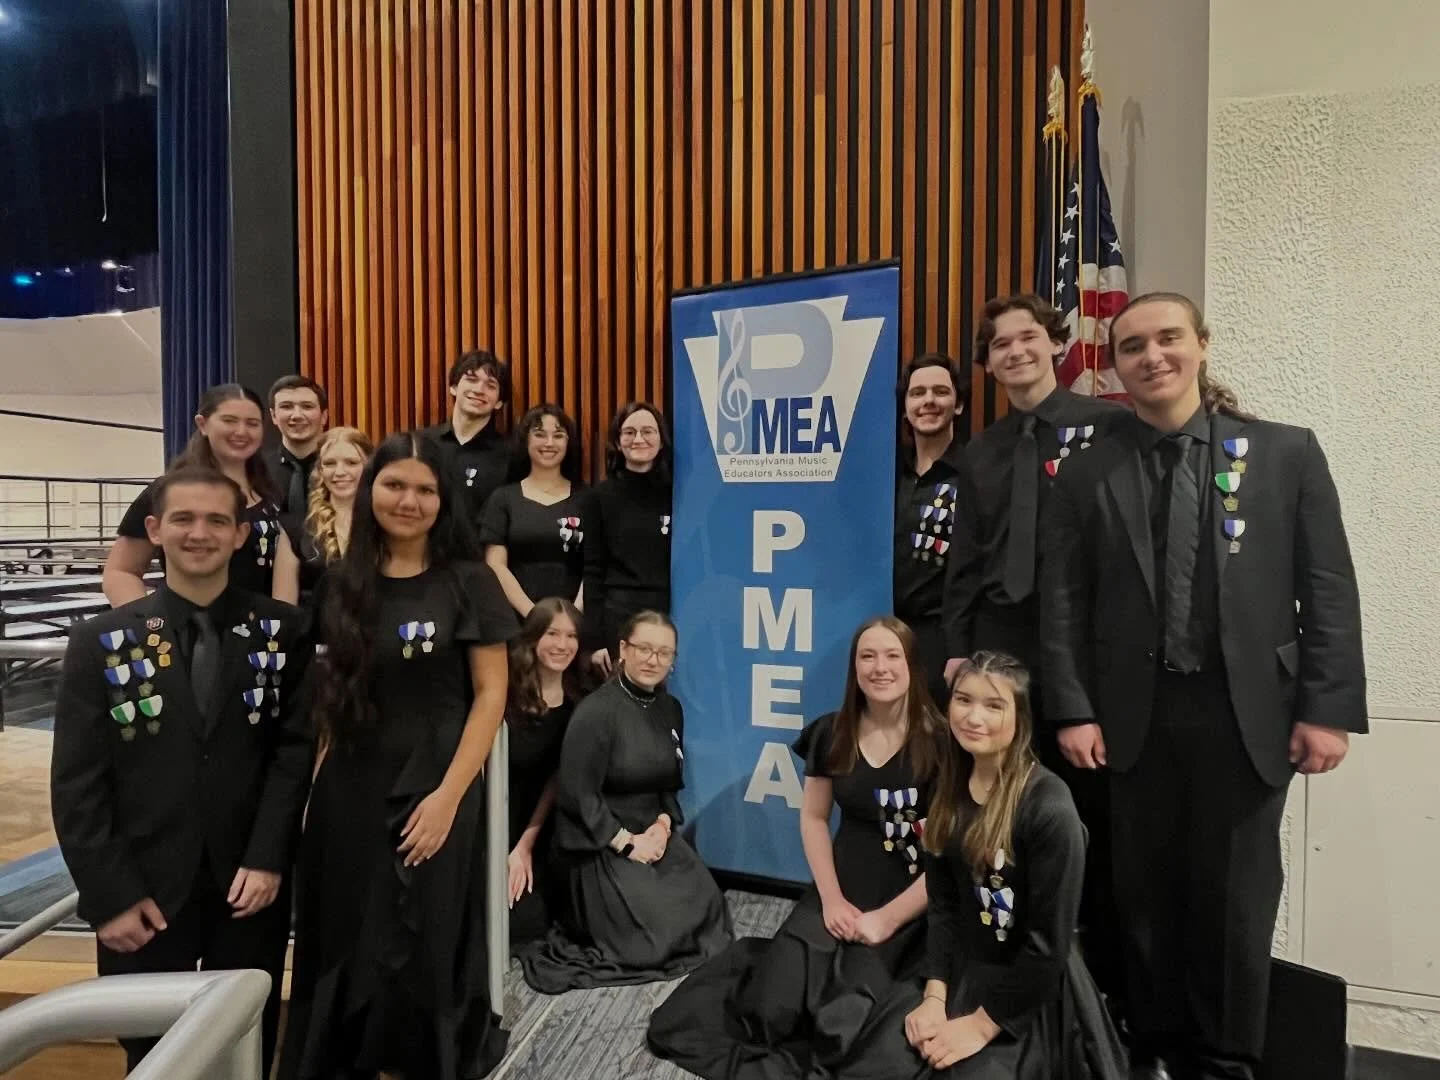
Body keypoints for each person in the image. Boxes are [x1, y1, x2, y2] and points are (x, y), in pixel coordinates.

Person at [1039, 292, 1367, 1080]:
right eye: (1133, 346)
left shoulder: (1285, 453)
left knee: (1234, 897)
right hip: (1132, 714)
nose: (1152, 356)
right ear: (1115, 365)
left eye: (1168, 339)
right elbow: (1064, 601)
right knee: (1142, 892)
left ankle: (1224, 1059)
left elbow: (1327, 587)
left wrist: (1326, 710)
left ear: (1202, 345)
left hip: (1246, 713)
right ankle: (1153, 1045)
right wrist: (1073, 709)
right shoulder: (1087, 472)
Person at [51, 465, 313, 1074]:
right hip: (142, 888)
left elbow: (292, 754)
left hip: (248, 883)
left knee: (245, 1041)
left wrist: (268, 858)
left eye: (218, 520)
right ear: (154, 530)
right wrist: (110, 895)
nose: (200, 533)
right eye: (184, 519)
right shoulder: (102, 641)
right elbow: (78, 782)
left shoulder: (282, 632)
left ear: (240, 534)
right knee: (151, 1052)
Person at [279, 432, 516, 1080]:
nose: (408, 501)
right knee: (347, 928)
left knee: (424, 932)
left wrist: (449, 798)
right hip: (350, 786)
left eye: (424, 489)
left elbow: (491, 697)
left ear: (444, 500)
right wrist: (314, 794)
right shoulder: (342, 583)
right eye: (394, 485)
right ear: (370, 490)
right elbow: (333, 702)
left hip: (436, 781)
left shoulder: (470, 581)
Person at [647, 616, 940, 1079]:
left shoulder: (942, 743)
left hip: (907, 902)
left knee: (842, 1029)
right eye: (867, 656)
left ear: (912, 666)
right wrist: (831, 900)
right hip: (840, 887)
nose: (880, 667)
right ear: (854, 667)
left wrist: (886, 920)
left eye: (892, 656)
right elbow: (814, 818)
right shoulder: (831, 732)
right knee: (771, 1008)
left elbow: (950, 860)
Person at [941, 294, 1129, 1000]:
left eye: (1028, 337)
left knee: (1086, 809)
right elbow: (965, 561)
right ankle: (1007, 958)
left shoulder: (1107, 425)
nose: (1015, 351)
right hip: (1001, 643)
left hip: (1081, 647)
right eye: (1000, 344)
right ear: (988, 364)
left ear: (1056, 344)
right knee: (1003, 803)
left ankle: (1088, 974)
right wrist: (958, 650)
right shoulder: (981, 450)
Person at [887, 652, 1127, 1079]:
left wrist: (981, 1027)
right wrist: (934, 997)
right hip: (961, 970)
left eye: (994, 705)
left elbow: (1047, 946)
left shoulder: (1050, 807)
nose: (973, 717)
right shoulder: (948, 786)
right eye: (963, 700)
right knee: (881, 1060)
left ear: (1021, 719)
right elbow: (943, 906)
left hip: (1028, 992)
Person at [520, 611, 731, 992]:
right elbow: (577, 795)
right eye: (644, 648)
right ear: (623, 649)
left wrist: (662, 827)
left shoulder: (670, 709)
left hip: (651, 830)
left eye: (664, 653)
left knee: (708, 907)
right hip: (598, 843)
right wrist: (628, 843)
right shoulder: (595, 712)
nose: (653, 660)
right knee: (651, 941)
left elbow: (670, 782)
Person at [104, 385, 291, 606]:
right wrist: (150, 623)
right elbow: (121, 572)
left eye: (252, 423)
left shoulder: (272, 490)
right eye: (229, 421)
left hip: (262, 624)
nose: (241, 432)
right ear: (202, 424)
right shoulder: (168, 491)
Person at [505, 597, 590, 948]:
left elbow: (556, 782)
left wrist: (524, 846)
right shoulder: (505, 693)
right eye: (552, 633)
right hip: (496, 819)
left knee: (531, 927)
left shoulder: (579, 704)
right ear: (533, 637)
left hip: (542, 828)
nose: (562, 644)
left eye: (571, 636)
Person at [894, 354, 969, 707]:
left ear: (959, 404)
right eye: (917, 393)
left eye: (940, 391)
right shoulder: (884, 473)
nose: (928, 401)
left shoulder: (976, 475)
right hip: (881, 634)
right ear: (905, 407)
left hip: (943, 644)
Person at [581, 402, 673, 674]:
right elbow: (593, 570)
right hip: (618, 616)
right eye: (629, 432)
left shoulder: (678, 494)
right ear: (618, 442)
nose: (639, 439)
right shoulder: (599, 497)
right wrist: (595, 639)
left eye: (648, 431)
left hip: (668, 612)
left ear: (661, 441)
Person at [481, 403, 586, 617]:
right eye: (539, 434)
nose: (549, 443)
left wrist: (572, 617)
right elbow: (495, 564)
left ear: (569, 443)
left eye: (558, 435)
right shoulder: (503, 498)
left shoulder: (587, 498)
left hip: (574, 622)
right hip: (515, 619)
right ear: (525, 440)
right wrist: (533, 615)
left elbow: (595, 566)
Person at [273, 426, 373, 608]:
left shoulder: (385, 525)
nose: (339, 472)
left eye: (351, 463)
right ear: (320, 470)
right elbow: (283, 609)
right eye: (330, 463)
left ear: (369, 467)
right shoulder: (294, 530)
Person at [425, 349, 513, 530]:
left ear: (499, 402)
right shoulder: (421, 444)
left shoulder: (511, 455)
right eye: (471, 380)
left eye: (491, 385)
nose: (479, 390)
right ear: (453, 387)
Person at [265, 374, 330, 518]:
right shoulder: (258, 473)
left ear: (324, 416)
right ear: (274, 416)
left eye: (307, 406)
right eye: (286, 406)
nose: (297, 415)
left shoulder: (343, 470)